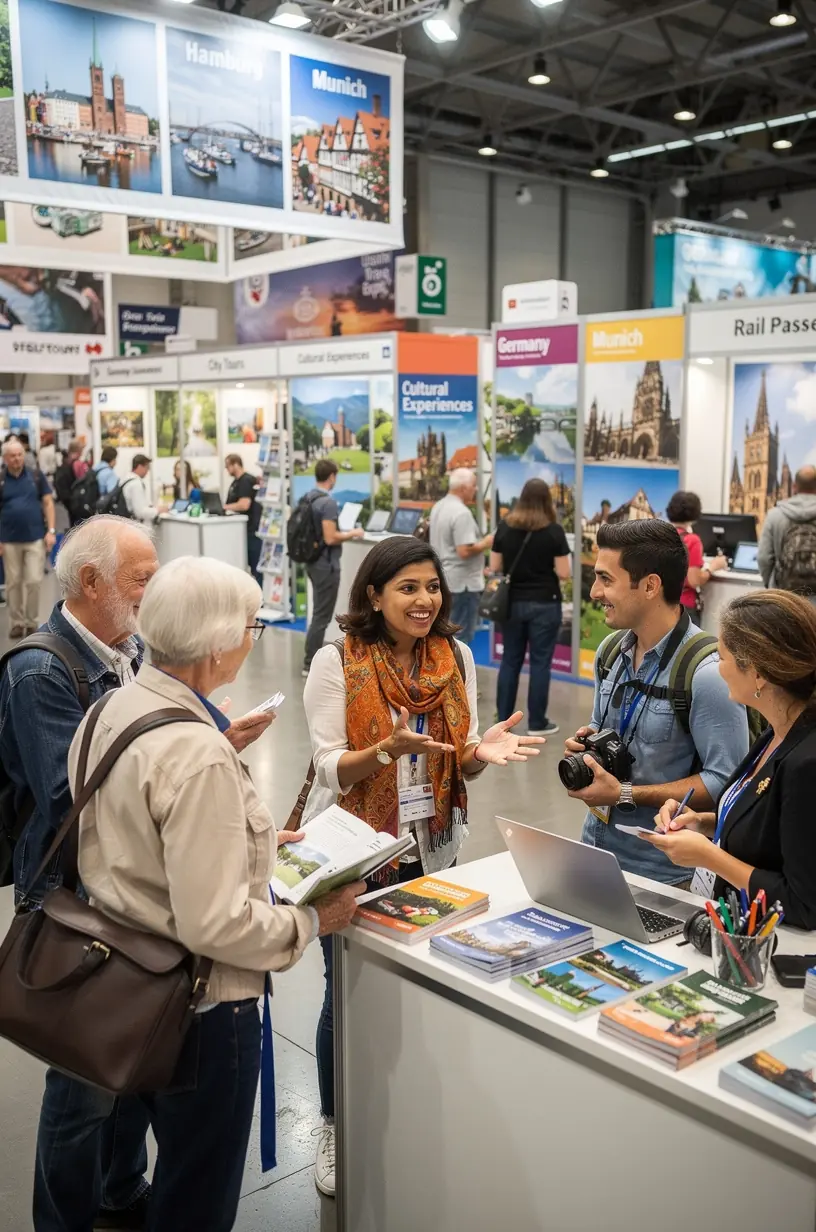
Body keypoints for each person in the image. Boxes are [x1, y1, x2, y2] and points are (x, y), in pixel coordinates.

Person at [68, 555, 363, 1231]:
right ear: (220, 641)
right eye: (252, 624)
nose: (255, 636)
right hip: (202, 1008)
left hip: (125, 977)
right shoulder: (198, 753)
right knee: (197, 1196)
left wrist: (253, 845)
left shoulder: (114, 709)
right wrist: (312, 920)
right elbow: (217, 927)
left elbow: (128, 839)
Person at [0, 516, 277, 1231]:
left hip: (125, 910)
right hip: (78, 903)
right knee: (85, 1084)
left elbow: (132, 784)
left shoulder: (125, 664)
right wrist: (308, 919)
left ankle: (121, 1192)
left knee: (126, 1076)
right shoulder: (40, 670)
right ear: (91, 582)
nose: (150, 593)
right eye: (140, 577)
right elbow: (75, 796)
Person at [303, 536, 544, 1197]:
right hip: (354, 852)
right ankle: (332, 1122)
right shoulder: (337, 659)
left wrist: (477, 753)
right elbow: (329, 764)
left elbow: (455, 758)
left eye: (432, 586)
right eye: (407, 587)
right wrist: (385, 748)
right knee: (343, 995)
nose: (424, 599)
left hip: (430, 846)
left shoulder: (453, 656)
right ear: (374, 594)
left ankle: (401, 1106)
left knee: (415, 981)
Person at [563, 519, 749, 884]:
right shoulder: (610, 652)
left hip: (665, 873)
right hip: (594, 852)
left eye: (606, 580)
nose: (595, 593)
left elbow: (726, 782)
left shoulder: (707, 674)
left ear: (650, 586)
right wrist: (588, 746)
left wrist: (625, 794)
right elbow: (606, 733)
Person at [646, 590, 816, 929]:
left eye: (721, 656)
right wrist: (705, 823)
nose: (718, 668)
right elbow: (773, 825)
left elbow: (803, 903)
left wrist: (708, 856)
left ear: (758, 674)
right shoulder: (779, 730)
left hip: (770, 949)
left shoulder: (807, 764)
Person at [490, 478, 571, 736]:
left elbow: (494, 567)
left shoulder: (504, 527)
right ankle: (537, 722)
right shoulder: (554, 531)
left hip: (512, 604)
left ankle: (503, 721)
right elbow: (565, 572)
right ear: (547, 500)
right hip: (545, 604)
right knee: (540, 664)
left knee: (510, 662)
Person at [302, 459, 364, 676]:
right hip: (326, 565)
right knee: (321, 615)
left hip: (312, 562)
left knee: (318, 613)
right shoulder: (327, 503)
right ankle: (310, 662)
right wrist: (352, 533)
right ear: (331, 476)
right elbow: (330, 537)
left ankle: (310, 659)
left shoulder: (307, 498)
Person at [429, 468, 493, 646]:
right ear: (463, 488)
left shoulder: (438, 507)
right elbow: (464, 551)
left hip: (445, 579)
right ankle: (457, 673)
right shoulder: (461, 513)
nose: (476, 489)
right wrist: (486, 543)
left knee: (444, 635)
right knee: (460, 640)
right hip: (463, 585)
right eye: (473, 485)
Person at [0, 437, 55, 637]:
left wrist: (50, 531)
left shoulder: (36, 476)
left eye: (19, 455)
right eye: (12, 456)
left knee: (33, 580)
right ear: (5, 458)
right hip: (9, 539)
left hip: (35, 537)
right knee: (13, 583)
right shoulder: (1, 479)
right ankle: (17, 622)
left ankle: (31, 622)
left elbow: (48, 503)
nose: (16, 459)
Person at [757, 464, 816, 599]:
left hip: (785, 598)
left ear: (794, 486)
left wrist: (772, 586)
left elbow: (764, 558)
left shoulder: (775, 515)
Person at [666, 489, 726, 615]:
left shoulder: (661, 536)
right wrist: (712, 567)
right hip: (683, 607)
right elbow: (694, 580)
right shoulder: (692, 541)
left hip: (661, 605)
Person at [224, 453, 262, 582]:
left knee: (255, 567)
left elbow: (244, 504)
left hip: (251, 530)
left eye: (227, 466)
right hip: (242, 532)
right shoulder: (236, 483)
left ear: (236, 464)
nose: (226, 469)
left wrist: (225, 507)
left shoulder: (246, 481)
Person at [53, 439, 89, 526]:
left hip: (66, 498)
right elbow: (82, 481)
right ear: (79, 451)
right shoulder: (77, 464)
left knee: (72, 523)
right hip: (75, 500)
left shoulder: (64, 462)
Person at [121, 454, 161, 524]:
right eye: (147, 467)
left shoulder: (125, 479)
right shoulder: (136, 483)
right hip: (133, 525)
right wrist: (158, 510)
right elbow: (140, 512)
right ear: (139, 466)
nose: (147, 471)